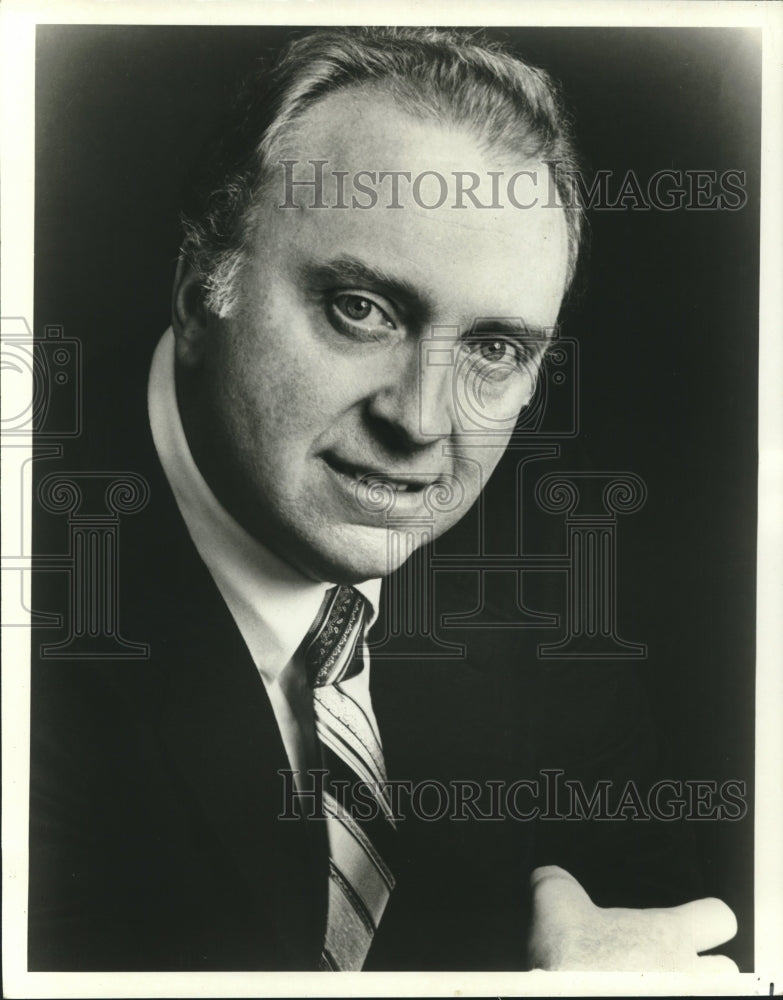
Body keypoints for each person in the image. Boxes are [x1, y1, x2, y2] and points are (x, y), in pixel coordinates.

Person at [28, 26, 738, 973]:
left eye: (493, 349)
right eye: (362, 309)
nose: (421, 422)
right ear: (201, 294)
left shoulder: (557, 639)